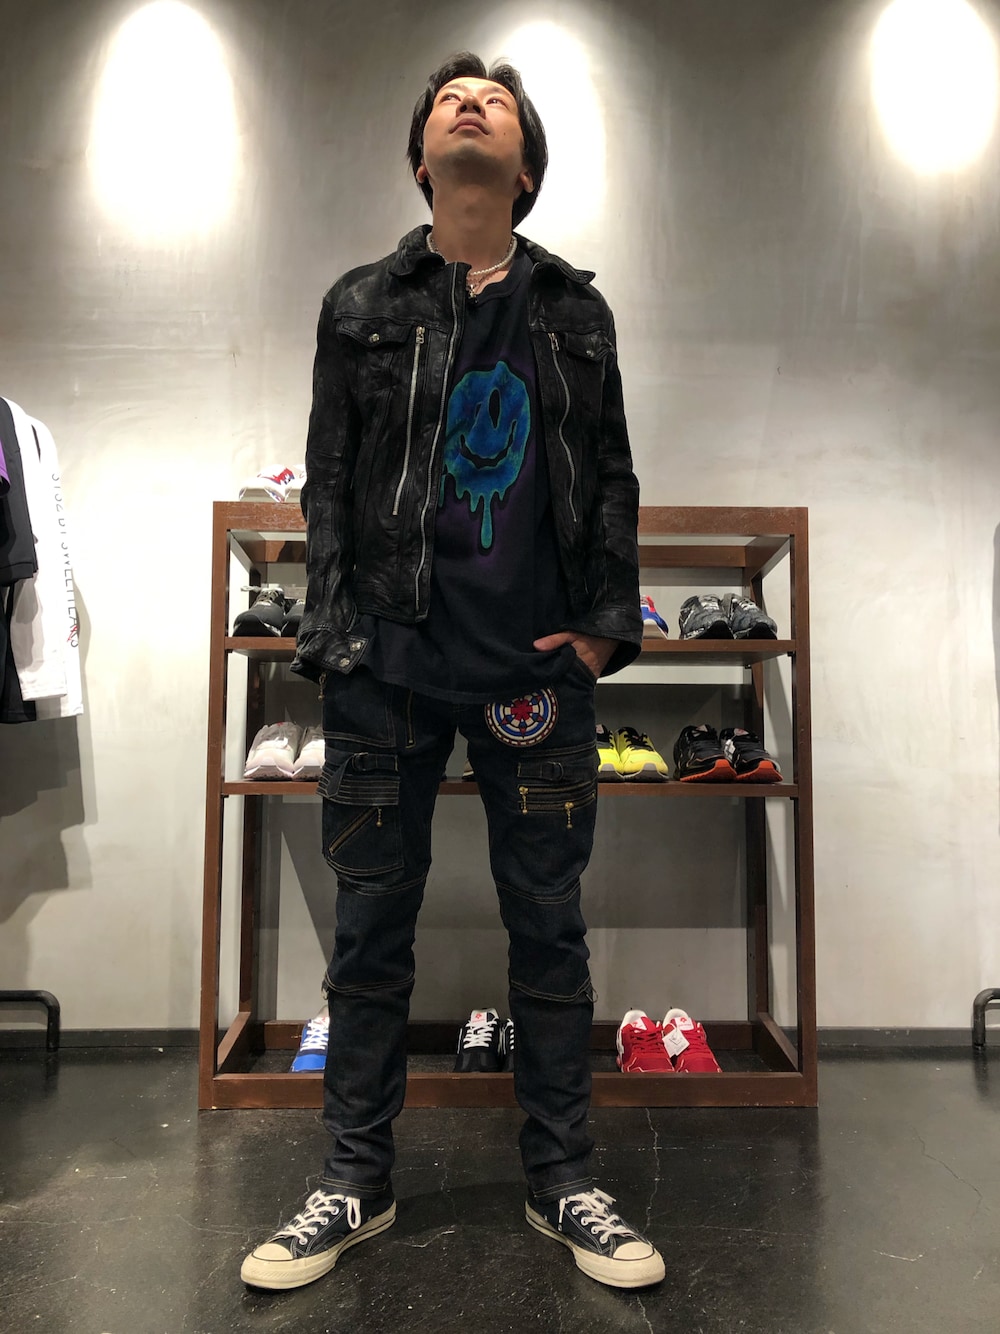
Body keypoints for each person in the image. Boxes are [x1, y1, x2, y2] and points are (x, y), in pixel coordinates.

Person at [240, 51, 664, 1293]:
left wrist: (604, 625)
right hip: (387, 664)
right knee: (369, 934)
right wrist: (333, 634)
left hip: (535, 672)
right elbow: (326, 478)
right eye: (446, 99)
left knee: (549, 931)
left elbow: (612, 471)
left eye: (495, 101)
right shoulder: (360, 305)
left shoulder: (574, 311)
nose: (468, 103)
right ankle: (353, 1179)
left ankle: (564, 1177)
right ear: (420, 157)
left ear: (524, 167)